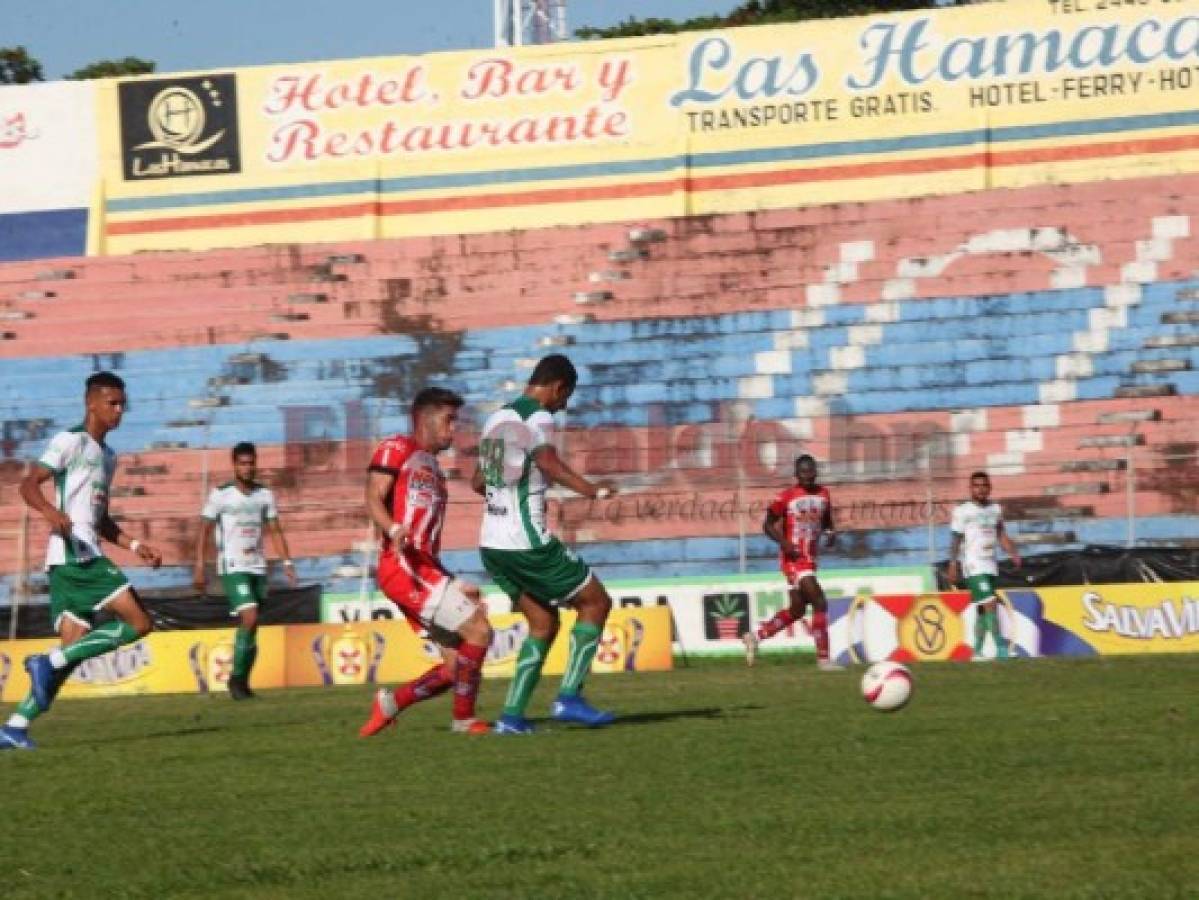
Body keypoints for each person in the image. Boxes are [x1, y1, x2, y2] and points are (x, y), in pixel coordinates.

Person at [1, 372, 163, 751]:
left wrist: (136, 544)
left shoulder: (108, 458)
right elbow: (28, 484)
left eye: (123, 404)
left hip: (75, 558)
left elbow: (101, 519)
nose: (119, 410)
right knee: (140, 623)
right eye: (113, 403)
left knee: (71, 654)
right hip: (77, 555)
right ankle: (47, 660)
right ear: (92, 403)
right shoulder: (70, 441)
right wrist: (48, 511)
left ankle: (15, 726)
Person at [471, 354, 618, 735]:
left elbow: (476, 481)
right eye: (565, 396)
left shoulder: (496, 418)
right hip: (526, 542)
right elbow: (549, 462)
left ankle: (512, 717)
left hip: (492, 543)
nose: (564, 404)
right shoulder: (538, 417)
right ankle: (569, 697)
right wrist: (593, 490)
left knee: (542, 622)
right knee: (596, 601)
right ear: (557, 387)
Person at [358, 387, 494, 737]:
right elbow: (372, 496)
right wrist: (392, 527)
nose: (454, 430)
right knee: (479, 630)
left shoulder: (433, 469)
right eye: (448, 420)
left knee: (454, 669)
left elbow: (427, 543)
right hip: (402, 567)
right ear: (423, 419)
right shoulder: (397, 448)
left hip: (424, 568)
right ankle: (464, 720)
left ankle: (390, 704)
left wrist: (454, 582)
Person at [193, 442, 296, 700]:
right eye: (242, 463)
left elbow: (275, 529)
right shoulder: (221, 494)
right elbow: (204, 529)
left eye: (251, 463)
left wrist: (286, 563)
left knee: (252, 625)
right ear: (234, 465)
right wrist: (199, 566)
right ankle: (236, 680)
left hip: (258, 566)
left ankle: (243, 681)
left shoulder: (264, 495)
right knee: (249, 618)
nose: (247, 468)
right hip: (233, 566)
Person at [743, 454, 840, 670]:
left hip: (810, 559)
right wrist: (784, 543)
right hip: (794, 559)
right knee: (820, 601)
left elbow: (826, 519)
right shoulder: (785, 497)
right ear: (796, 474)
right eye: (803, 472)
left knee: (797, 610)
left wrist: (831, 531)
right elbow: (767, 525)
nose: (807, 476)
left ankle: (755, 637)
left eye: (811, 471)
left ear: (815, 472)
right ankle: (824, 659)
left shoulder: (824, 494)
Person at [948, 471, 1022, 660]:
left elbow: (1001, 534)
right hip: (973, 564)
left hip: (990, 563)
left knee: (982, 609)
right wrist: (953, 564)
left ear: (989, 487)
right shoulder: (963, 511)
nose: (980, 489)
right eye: (976, 485)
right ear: (970, 488)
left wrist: (1012, 552)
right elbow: (955, 539)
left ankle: (977, 651)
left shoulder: (995, 509)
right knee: (990, 603)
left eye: (984, 485)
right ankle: (1001, 649)